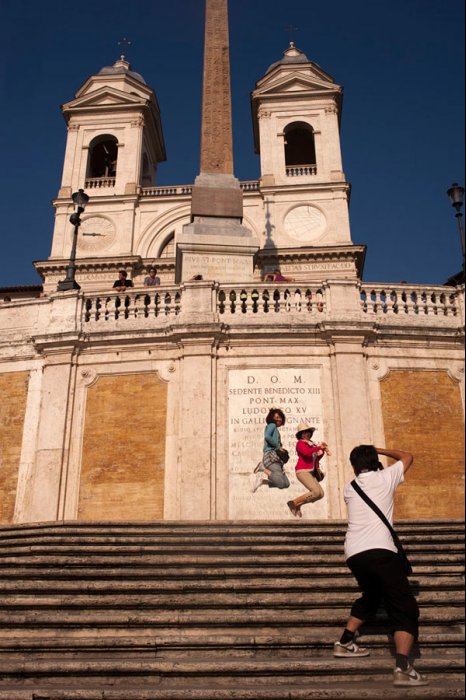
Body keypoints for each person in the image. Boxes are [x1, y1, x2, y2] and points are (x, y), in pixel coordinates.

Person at [334, 444, 428, 688]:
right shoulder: (386, 477)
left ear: (354, 465)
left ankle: (345, 642)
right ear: (374, 460)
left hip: (354, 554)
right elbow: (408, 455)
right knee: (404, 607)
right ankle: (403, 667)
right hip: (381, 551)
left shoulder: (349, 488)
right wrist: (380, 450)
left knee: (373, 595)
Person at [287, 422, 329, 517]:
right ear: (301, 435)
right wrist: (318, 447)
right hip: (302, 471)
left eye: (308, 432)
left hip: (310, 471)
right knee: (316, 492)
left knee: (320, 494)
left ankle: (297, 505)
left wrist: (323, 450)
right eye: (304, 432)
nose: (307, 434)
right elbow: (306, 453)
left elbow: (316, 457)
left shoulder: (312, 444)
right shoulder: (300, 443)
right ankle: (293, 502)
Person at [252, 408, 290, 493]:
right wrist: (278, 446)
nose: (278, 419)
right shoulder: (272, 425)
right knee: (280, 483)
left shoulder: (275, 429)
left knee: (286, 484)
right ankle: (262, 468)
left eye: (280, 417)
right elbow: (267, 437)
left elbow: (272, 439)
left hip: (276, 458)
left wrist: (281, 447)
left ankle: (263, 482)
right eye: (276, 417)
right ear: (272, 418)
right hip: (270, 455)